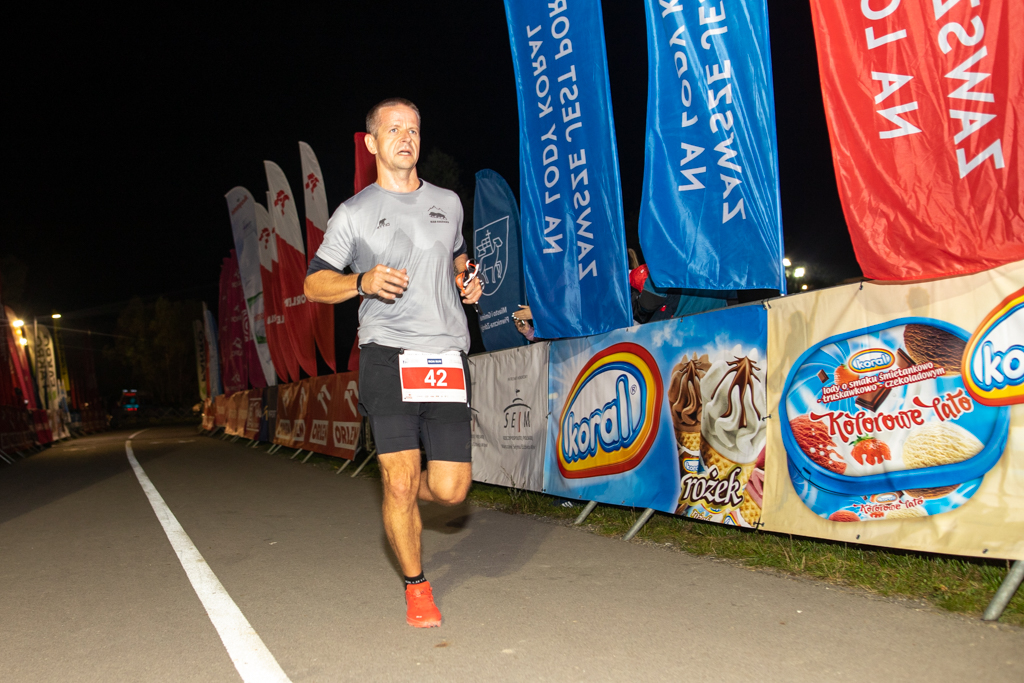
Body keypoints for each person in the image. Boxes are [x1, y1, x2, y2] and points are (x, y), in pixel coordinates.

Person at [304, 98, 482, 628]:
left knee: (450, 490)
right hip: (386, 355)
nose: (406, 137)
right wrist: (361, 281)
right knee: (401, 483)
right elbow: (314, 284)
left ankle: (401, 484)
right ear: (372, 143)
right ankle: (416, 585)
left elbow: (457, 257)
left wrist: (465, 281)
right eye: (394, 129)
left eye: (414, 129)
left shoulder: (448, 202)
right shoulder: (354, 213)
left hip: (445, 357)